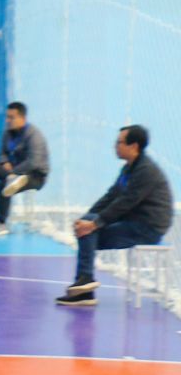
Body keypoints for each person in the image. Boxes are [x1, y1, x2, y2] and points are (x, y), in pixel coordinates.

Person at [56, 125, 172, 308]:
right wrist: (86, 219)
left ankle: (84, 286)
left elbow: (126, 202)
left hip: (148, 228)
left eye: (119, 142)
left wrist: (95, 223)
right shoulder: (129, 168)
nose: (115, 146)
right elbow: (111, 196)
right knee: (87, 229)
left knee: (89, 233)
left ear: (134, 146)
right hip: (134, 221)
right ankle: (84, 284)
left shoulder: (146, 171)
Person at [0, 101, 50, 237]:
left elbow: (34, 162)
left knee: (4, 185)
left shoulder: (34, 135)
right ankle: (10, 179)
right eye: (7, 117)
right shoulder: (7, 133)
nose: (8, 120)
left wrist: (13, 171)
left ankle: (1, 223)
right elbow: (2, 153)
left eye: (11, 117)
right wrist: (5, 162)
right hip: (13, 173)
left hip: (35, 176)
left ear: (22, 118)